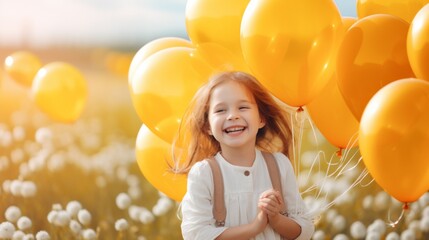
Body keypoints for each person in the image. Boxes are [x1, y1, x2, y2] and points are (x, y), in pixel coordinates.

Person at [172, 71, 314, 240]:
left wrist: (276, 219)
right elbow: (196, 234)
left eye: (243, 107)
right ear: (207, 126)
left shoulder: (279, 165)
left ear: (261, 118)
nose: (233, 116)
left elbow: (305, 229)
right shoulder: (204, 173)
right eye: (221, 110)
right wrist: (254, 227)